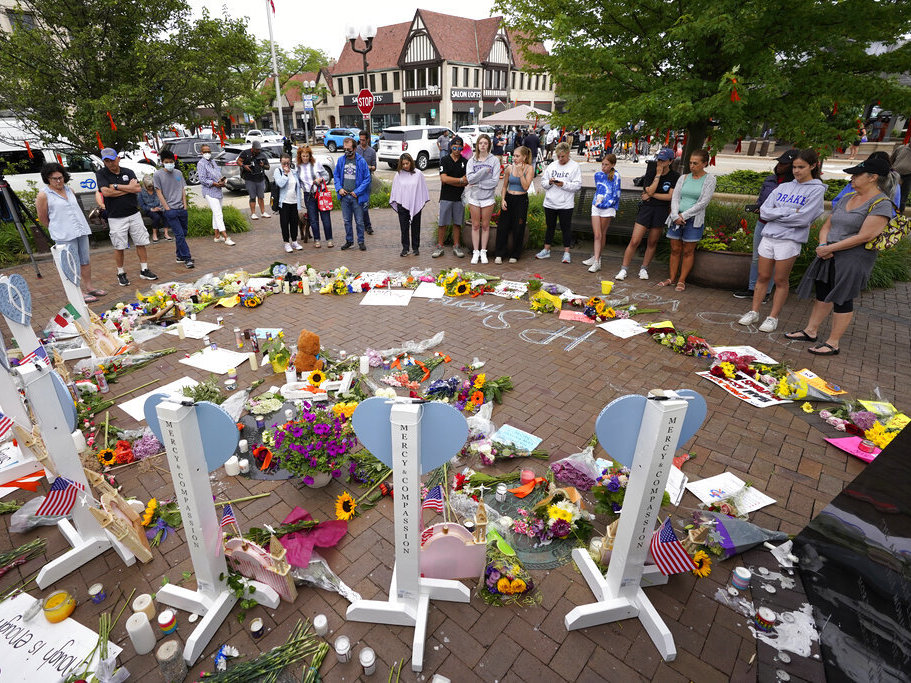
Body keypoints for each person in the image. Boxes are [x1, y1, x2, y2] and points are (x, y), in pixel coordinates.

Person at [788, 155, 897, 355]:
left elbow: (866, 235)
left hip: (852, 258)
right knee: (823, 292)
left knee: (842, 297)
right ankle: (810, 331)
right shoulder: (847, 198)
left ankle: (833, 342)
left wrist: (831, 248)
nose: (852, 179)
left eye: (857, 175)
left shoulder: (882, 203)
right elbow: (828, 224)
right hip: (828, 253)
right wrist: (823, 244)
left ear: (873, 177)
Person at [737, 149, 826, 332]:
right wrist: (789, 213)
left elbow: (804, 218)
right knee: (762, 276)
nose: (796, 171)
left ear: (813, 166)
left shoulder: (816, 190)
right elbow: (765, 210)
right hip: (769, 236)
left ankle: (773, 317)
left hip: (789, 240)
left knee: (780, 279)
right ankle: (754, 311)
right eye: (794, 167)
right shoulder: (784, 186)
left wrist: (778, 214)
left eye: (801, 167)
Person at [36, 163, 106, 302]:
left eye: (60, 177)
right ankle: (77, 291)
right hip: (64, 234)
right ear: (48, 179)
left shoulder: (69, 190)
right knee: (70, 263)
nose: (58, 181)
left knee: (85, 260)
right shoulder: (44, 195)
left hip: (80, 230)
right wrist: (56, 228)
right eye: (54, 178)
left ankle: (89, 287)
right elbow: (43, 217)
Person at [733, 150, 797, 300]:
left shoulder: (793, 185)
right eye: (779, 162)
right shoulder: (770, 180)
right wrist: (758, 207)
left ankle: (766, 292)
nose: (779, 166)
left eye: (784, 164)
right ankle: (752, 288)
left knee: (773, 260)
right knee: (758, 257)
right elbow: (762, 200)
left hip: (780, 227)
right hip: (763, 222)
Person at [96, 148, 158, 286]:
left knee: (140, 242)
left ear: (118, 158)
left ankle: (144, 269)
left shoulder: (128, 172)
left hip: (133, 213)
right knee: (119, 246)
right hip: (115, 216)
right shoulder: (101, 174)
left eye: (112, 160)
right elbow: (106, 192)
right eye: (106, 161)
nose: (110, 163)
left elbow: (137, 189)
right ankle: (121, 273)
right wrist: (127, 188)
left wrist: (116, 186)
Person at [615, 147, 679, 280]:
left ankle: (644, 268)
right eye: (659, 160)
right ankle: (624, 269)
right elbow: (648, 190)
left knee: (652, 241)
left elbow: (669, 197)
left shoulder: (674, 176)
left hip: (661, 210)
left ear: (670, 161)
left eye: (663, 160)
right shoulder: (651, 172)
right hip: (647, 209)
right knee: (635, 240)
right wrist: (657, 175)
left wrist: (652, 195)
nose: (660, 163)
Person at [659, 150, 717, 290]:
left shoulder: (710, 179)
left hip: (693, 219)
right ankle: (672, 278)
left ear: (704, 164)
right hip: (676, 217)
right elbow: (676, 197)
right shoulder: (683, 178)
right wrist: (674, 215)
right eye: (690, 162)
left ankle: (682, 280)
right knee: (674, 249)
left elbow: (703, 202)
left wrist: (683, 216)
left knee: (688, 251)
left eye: (695, 163)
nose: (692, 166)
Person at [536, 142, 583, 262]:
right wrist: (550, 182)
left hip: (565, 203)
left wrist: (564, 184)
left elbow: (577, 186)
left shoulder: (574, 166)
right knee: (550, 227)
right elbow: (543, 182)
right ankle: (546, 250)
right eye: (558, 156)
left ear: (568, 154)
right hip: (550, 202)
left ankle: (567, 253)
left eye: (563, 156)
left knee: (565, 227)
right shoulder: (552, 165)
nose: (560, 159)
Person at [153, 149, 194, 269]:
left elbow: (182, 189)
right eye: (167, 162)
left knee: (183, 233)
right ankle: (187, 258)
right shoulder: (158, 175)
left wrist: (185, 205)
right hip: (170, 210)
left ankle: (179, 255)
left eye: (171, 161)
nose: (169, 164)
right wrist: (167, 208)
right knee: (179, 234)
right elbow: (159, 192)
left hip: (181, 208)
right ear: (162, 162)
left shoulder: (178, 173)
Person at [494, 145, 534, 264]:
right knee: (503, 226)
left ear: (524, 157)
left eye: (517, 156)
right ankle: (499, 253)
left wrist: (521, 172)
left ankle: (515, 254)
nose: (514, 158)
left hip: (521, 199)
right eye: (514, 156)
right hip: (509, 198)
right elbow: (505, 186)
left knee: (518, 227)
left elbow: (526, 187)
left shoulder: (529, 168)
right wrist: (503, 199)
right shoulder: (509, 168)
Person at [582, 153, 621, 273]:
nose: (603, 167)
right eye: (602, 164)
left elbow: (616, 195)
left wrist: (606, 204)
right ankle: (596, 258)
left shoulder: (616, 176)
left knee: (601, 234)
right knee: (597, 234)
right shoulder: (598, 175)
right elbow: (599, 190)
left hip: (608, 208)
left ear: (613, 165)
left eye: (607, 165)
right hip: (596, 206)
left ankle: (597, 259)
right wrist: (597, 202)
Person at [465, 134, 500, 264]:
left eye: (485, 143)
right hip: (474, 197)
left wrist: (478, 183)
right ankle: (476, 252)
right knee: (475, 225)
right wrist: (484, 172)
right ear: (477, 145)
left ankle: (483, 251)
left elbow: (494, 182)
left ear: (489, 145)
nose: (483, 145)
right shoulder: (471, 161)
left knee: (485, 225)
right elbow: (470, 179)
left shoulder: (494, 161)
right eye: (481, 143)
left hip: (488, 198)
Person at [434, 135, 468, 259]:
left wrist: (451, 180)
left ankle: (456, 246)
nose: (457, 149)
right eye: (454, 146)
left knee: (457, 223)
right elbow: (443, 179)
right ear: (450, 147)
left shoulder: (465, 161)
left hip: (459, 197)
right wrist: (459, 180)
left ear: (462, 148)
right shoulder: (444, 160)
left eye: (460, 147)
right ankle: (440, 246)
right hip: (446, 196)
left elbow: (467, 181)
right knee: (442, 223)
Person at [334, 137, 370, 251]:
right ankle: (349, 241)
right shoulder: (341, 160)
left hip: (356, 197)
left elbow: (367, 178)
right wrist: (339, 188)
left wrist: (357, 191)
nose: (346, 151)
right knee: (346, 221)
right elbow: (336, 176)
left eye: (348, 149)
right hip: (344, 196)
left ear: (354, 148)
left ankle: (361, 241)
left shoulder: (361, 161)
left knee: (359, 221)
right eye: (344, 148)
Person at [390, 153, 430, 257]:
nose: (405, 166)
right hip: (402, 204)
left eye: (407, 163)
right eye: (403, 164)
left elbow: (422, 189)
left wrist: (419, 201)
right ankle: (405, 248)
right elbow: (395, 190)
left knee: (416, 227)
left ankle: (416, 248)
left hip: (415, 203)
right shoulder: (398, 175)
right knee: (404, 228)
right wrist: (398, 201)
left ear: (411, 162)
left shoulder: (418, 174)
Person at [197, 142, 235, 246]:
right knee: (218, 214)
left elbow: (218, 174)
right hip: (209, 191)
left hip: (218, 190)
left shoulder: (213, 161)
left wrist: (221, 181)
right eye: (205, 152)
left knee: (216, 212)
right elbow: (202, 179)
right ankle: (226, 237)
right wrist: (214, 183)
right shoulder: (201, 164)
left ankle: (217, 236)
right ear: (201, 152)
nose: (207, 153)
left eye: (209, 151)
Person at [297, 145, 333, 248]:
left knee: (325, 218)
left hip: (320, 193)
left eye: (307, 156)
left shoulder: (316, 163)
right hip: (308, 195)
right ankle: (317, 240)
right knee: (313, 219)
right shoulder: (298, 167)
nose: (305, 158)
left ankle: (329, 240)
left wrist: (320, 179)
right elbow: (298, 181)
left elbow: (326, 175)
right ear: (300, 156)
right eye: (303, 156)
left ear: (310, 155)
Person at [273, 153, 302, 252]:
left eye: (287, 162)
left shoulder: (294, 172)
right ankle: (286, 243)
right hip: (284, 202)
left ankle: (294, 241)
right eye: (284, 162)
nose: (286, 164)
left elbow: (298, 186)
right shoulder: (278, 171)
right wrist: (285, 174)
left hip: (294, 201)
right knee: (284, 223)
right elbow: (280, 184)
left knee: (294, 222)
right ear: (280, 161)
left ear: (290, 161)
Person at [238, 140, 271, 220]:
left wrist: (263, 165)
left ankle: (263, 212)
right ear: (252, 148)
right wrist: (244, 166)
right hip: (250, 178)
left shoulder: (262, 155)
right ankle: (253, 213)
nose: (258, 151)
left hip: (260, 178)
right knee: (252, 196)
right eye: (256, 149)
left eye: (259, 149)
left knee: (261, 196)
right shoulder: (245, 153)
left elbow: (268, 167)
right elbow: (238, 161)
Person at [356, 131, 377, 235]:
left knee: (365, 204)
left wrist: (368, 167)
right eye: (360, 139)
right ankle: (364, 225)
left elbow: (374, 167)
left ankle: (367, 226)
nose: (361, 142)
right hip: (356, 181)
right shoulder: (356, 150)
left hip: (367, 180)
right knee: (358, 205)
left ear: (368, 140)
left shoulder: (372, 151)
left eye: (363, 140)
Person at [137, 176, 168, 242]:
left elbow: (159, 200)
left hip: (158, 208)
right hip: (148, 210)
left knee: (166, 214)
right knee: (156, 217)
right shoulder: (141, 192)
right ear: (145, 186)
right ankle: (154, 234)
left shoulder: (156, 190)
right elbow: (142, 206)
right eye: (149, 187)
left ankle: (166, 233)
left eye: (152, 186)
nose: (151, 188)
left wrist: (158, 207)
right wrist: (152, 209)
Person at [889, 139, 911, 212]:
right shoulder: (901, 148)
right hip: (894, 174)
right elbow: (892, 159)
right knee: (888, 193)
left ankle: (899, 216)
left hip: (908, 177)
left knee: (902, 197)